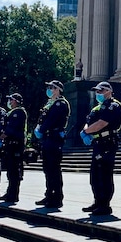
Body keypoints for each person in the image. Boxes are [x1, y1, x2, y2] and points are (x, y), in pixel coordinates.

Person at [80, 81, 121, 215]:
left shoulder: (113, 106)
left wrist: (86, 132)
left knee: (104, 173)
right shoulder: (97, 108)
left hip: (108, 141)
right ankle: (97, 201)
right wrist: (85, 131)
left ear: (108, 91)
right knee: (95, 174)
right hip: (98, 142)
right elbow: (89, 122)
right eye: (97, 91)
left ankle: (105, 204)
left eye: (100, 91)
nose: (98, 93)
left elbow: (101, 123)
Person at [34, 80, 70, 208]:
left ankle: (56, 197)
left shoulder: (60, 104)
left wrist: (41, 129)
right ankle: (49, 194)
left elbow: (51, 120)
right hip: (47, 138)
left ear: (58, 89)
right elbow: (43, 118)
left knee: (53, 169)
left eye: (51, 87)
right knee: (47, 168)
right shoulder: (50, 104)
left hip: (54, 138)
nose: (49, 89)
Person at [0, 93, 27, 203]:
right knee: (10, 170)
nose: (10, 102)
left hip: (16, 144)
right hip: (9, 144)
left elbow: (12, 128)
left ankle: (13, 194)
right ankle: (10, 192)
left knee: (15, 170)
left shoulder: (19, 112)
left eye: (12, 100)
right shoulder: (11, 112)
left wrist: (3, 135)